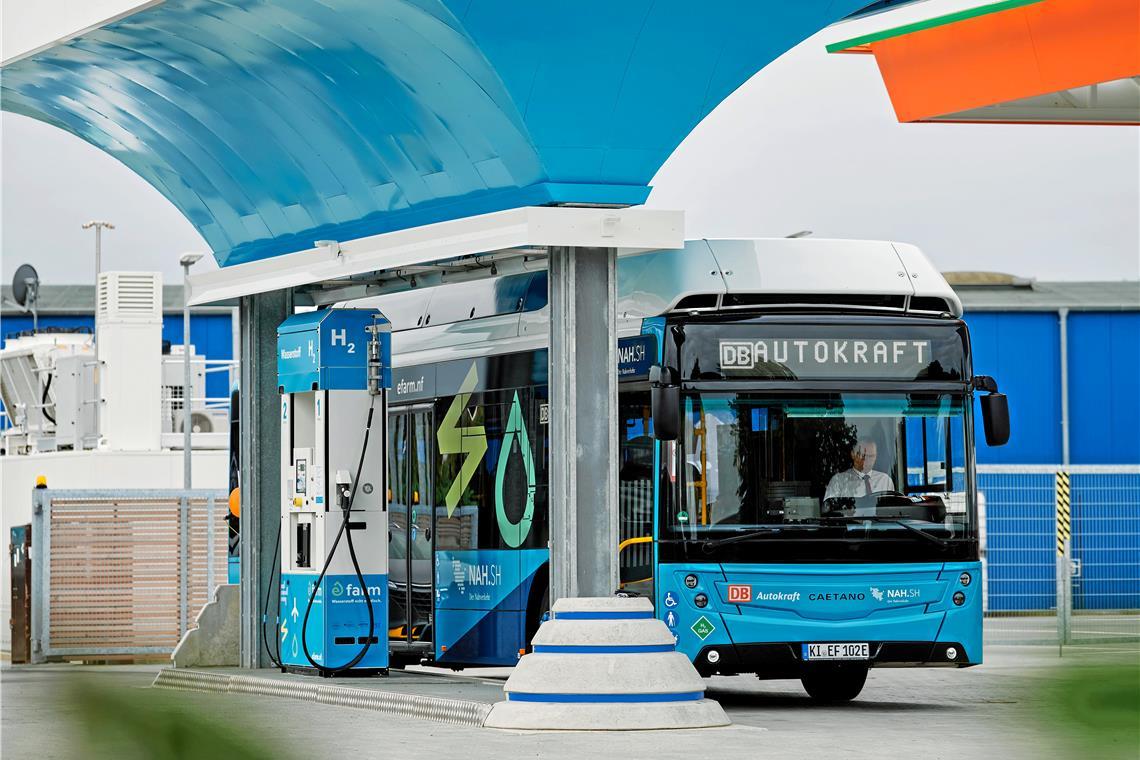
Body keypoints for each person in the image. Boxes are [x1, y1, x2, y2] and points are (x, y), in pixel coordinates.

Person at [824, 439, 895, 502]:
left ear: (876, 456)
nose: (866, 460)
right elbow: (829, 510)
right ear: (853, 454)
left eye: (871, 456)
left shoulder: (885, 481)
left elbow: (891, 510)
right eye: (863, 455)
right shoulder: (839, 481)